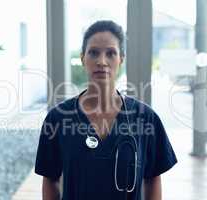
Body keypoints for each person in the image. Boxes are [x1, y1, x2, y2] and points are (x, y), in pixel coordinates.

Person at [35, 20, 177, 200]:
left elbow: (153, 179)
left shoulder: (146, 118)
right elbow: (50, 178)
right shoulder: (57, 119)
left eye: (111, 53)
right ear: (82, 58)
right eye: (93, 53)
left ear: (121, 59)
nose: (102, 61)